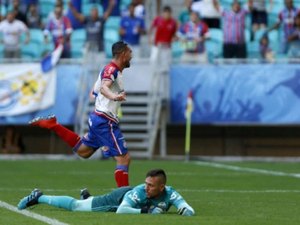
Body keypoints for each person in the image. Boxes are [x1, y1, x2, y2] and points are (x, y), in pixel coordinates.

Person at [29, 41, 132, 188]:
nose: (131, 56)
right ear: (122, 54)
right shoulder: (111, 70)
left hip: (99, 118)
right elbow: (103, 88)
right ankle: (125, 199)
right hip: (105, 121)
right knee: (124, 158)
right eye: (129, 53)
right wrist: (114, 96)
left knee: (84, 151)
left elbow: (94, 92)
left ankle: (54, 125)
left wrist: (112, 94)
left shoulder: (111, 71)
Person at [17, 169, 195, 216]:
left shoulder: (170, 193)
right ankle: (40, 197)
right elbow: (121, 210)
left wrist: (185, 211)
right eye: (146, 183)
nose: (146, 187)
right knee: (77, 207)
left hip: (124, 196)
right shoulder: (139, 192)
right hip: (119, 200)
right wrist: (146, 211)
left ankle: (89, 198)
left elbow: (187, 208)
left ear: (162, 187)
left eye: (151, 186)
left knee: (87, 203)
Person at [149, 5, 177, 72]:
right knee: (153, 60)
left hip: (167, 46)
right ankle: (154, 74)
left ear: (170, 14)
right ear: (163, 13)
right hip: (157, 45)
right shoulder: (157, 19)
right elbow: (151, 28)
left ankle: (165, 77)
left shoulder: (173, 22)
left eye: (168, 13)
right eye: (165, 13)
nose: (167, 15)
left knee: (166, 65)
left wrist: (174, 38)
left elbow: (174, 34)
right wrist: (150, 37)